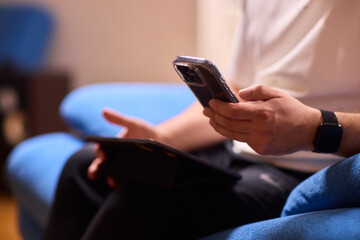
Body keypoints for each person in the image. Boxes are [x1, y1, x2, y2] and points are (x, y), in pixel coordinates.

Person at [43, 1, 360, 239]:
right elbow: (238, 88)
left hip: (303, 169)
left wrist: (312, 129)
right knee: (84, 169)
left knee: (143, 202)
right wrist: (160, 137)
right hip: (236, 153)